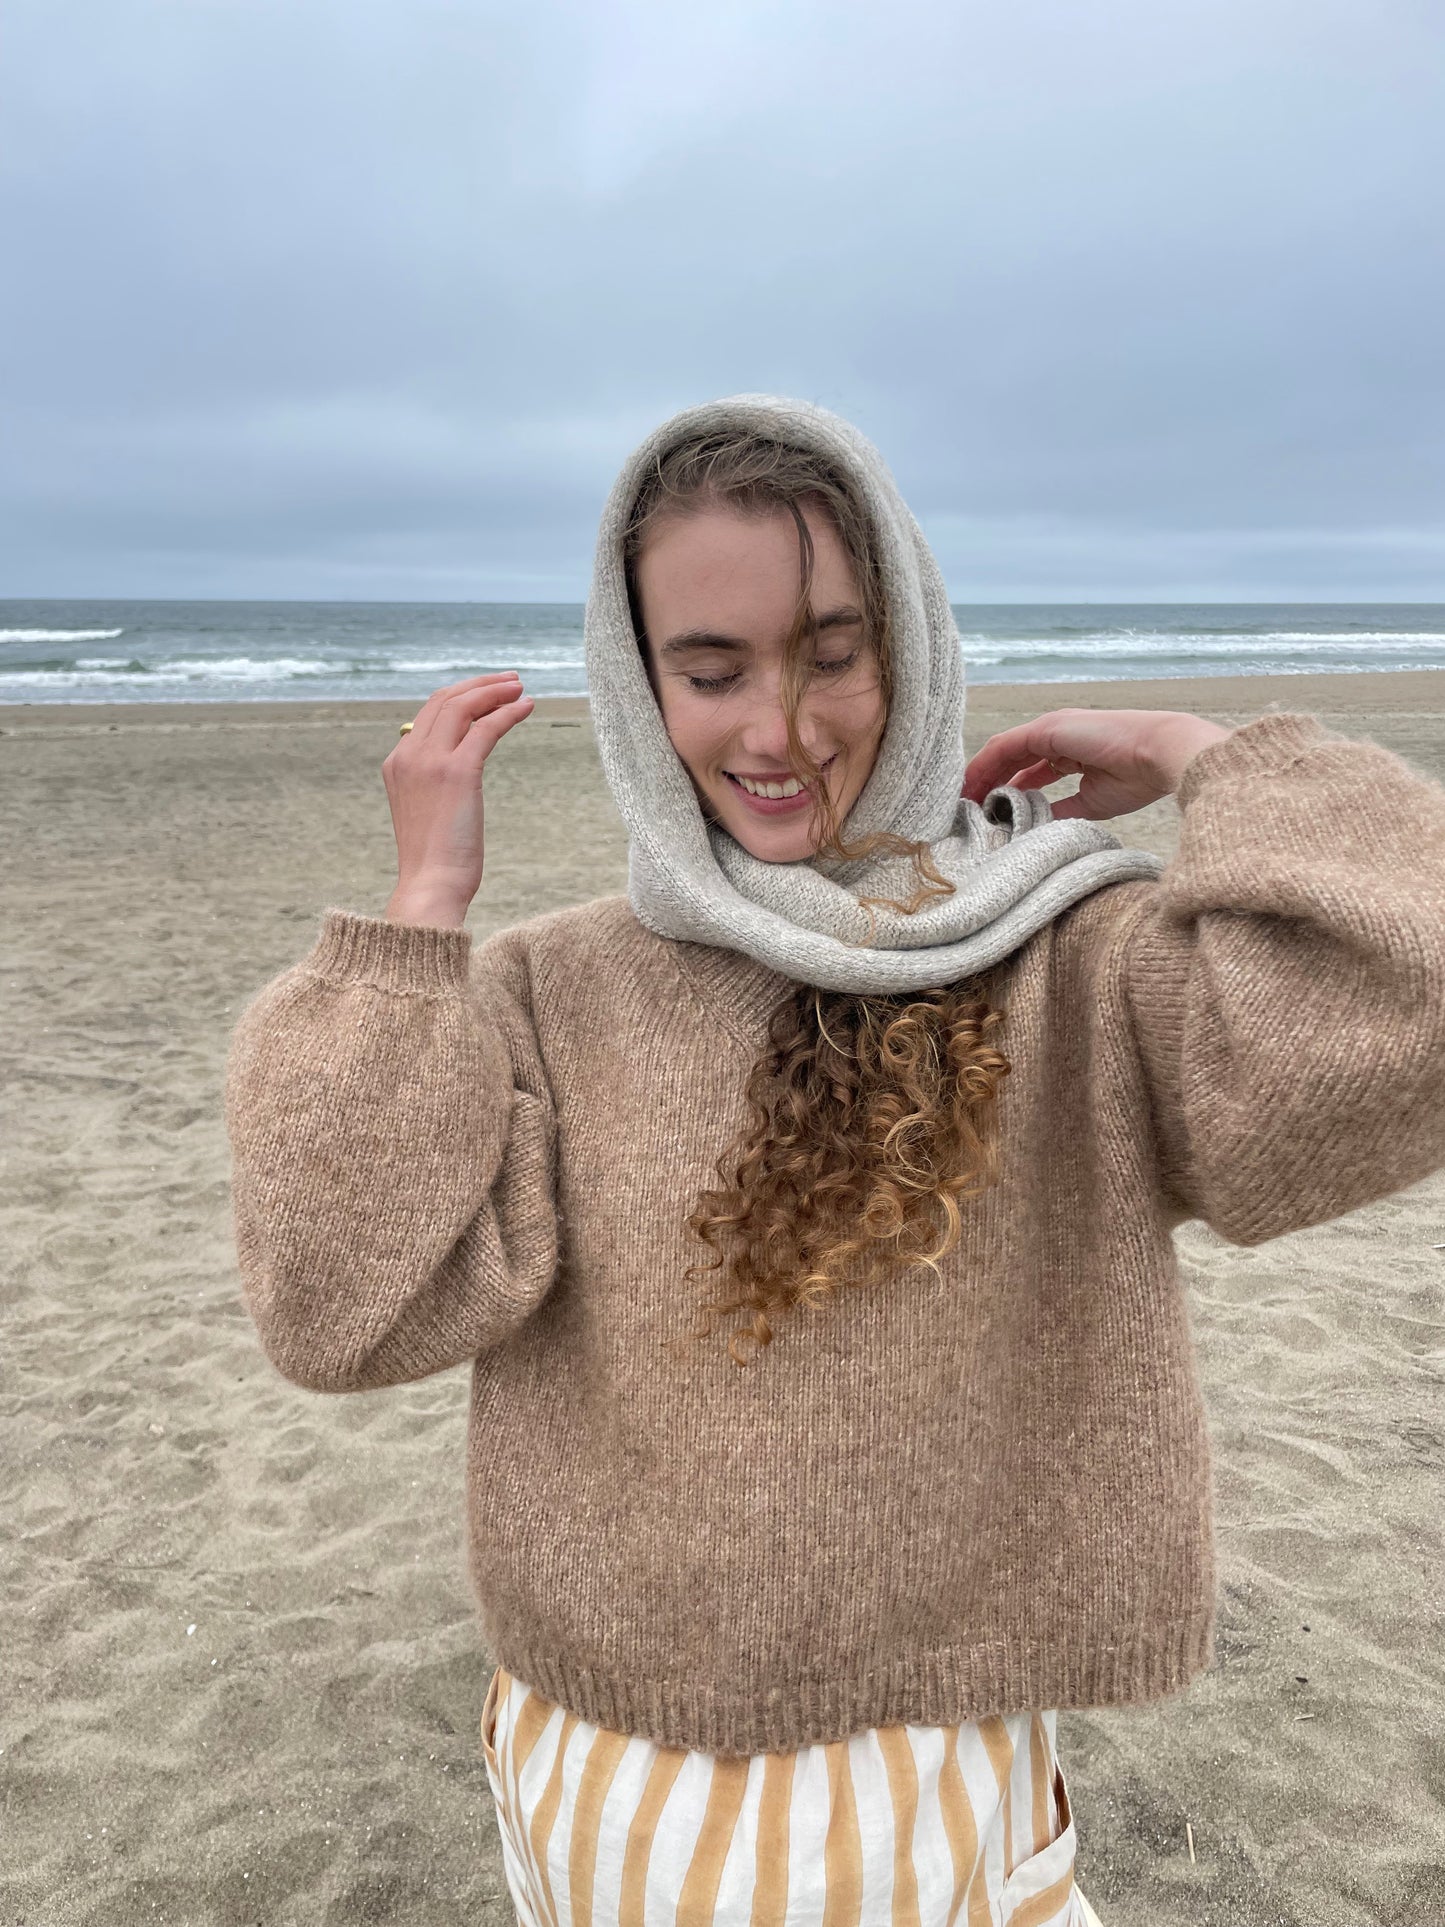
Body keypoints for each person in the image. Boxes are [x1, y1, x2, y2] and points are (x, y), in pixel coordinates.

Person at [224, 394, 1445, 1926]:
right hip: (631, 1773)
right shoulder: (549, 989)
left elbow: (1408, 996)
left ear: (912, 642)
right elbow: (342, 1308)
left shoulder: (1069, 956)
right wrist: (419, 913)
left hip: (956, 1757)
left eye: (833, 651)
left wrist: (1196, 750)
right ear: (635, 682)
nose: (780, 729)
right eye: (709, 668)